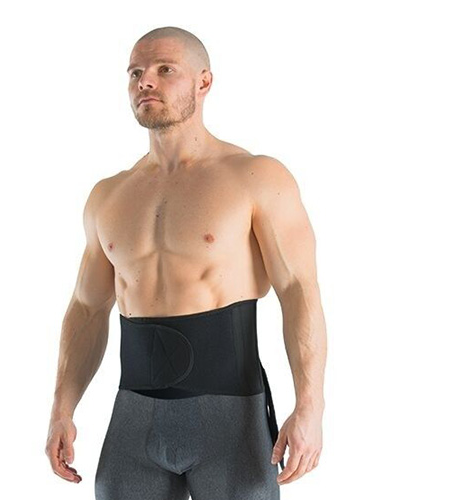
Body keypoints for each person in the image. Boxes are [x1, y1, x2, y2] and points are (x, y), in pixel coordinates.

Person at [45, 26, 327, 500]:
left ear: (204, 82)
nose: (145, 81)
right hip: (134, 420)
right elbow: (87, 308)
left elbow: (299, 290)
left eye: (164, 69)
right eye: (135, 72)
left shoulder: (255, 177)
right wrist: (62, 407)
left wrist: (311, 406)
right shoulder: (109, 196)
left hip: (231, 420)